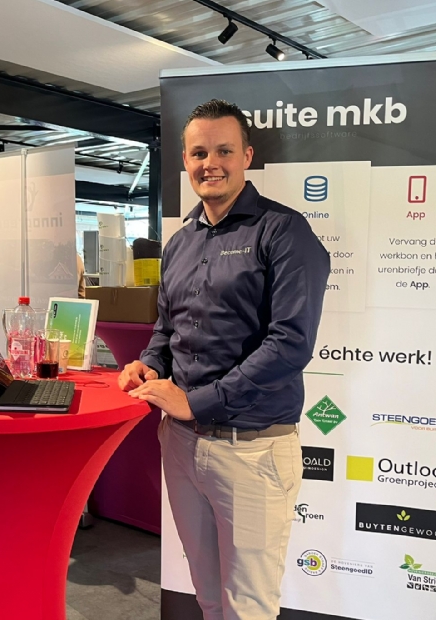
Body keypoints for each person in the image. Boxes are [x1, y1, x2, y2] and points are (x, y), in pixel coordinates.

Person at [119, 100, 329, 620]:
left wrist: (195, 403)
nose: (210, 163)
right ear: (185, 162)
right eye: (198, 153)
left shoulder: (284, 232)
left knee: (247, 608)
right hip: (181, 445)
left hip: (252, 451)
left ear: (247, 157)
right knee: (208, 597)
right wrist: (149, 363)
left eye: (223, 151)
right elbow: (167, 327)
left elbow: (290, 344)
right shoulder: (179, 242)